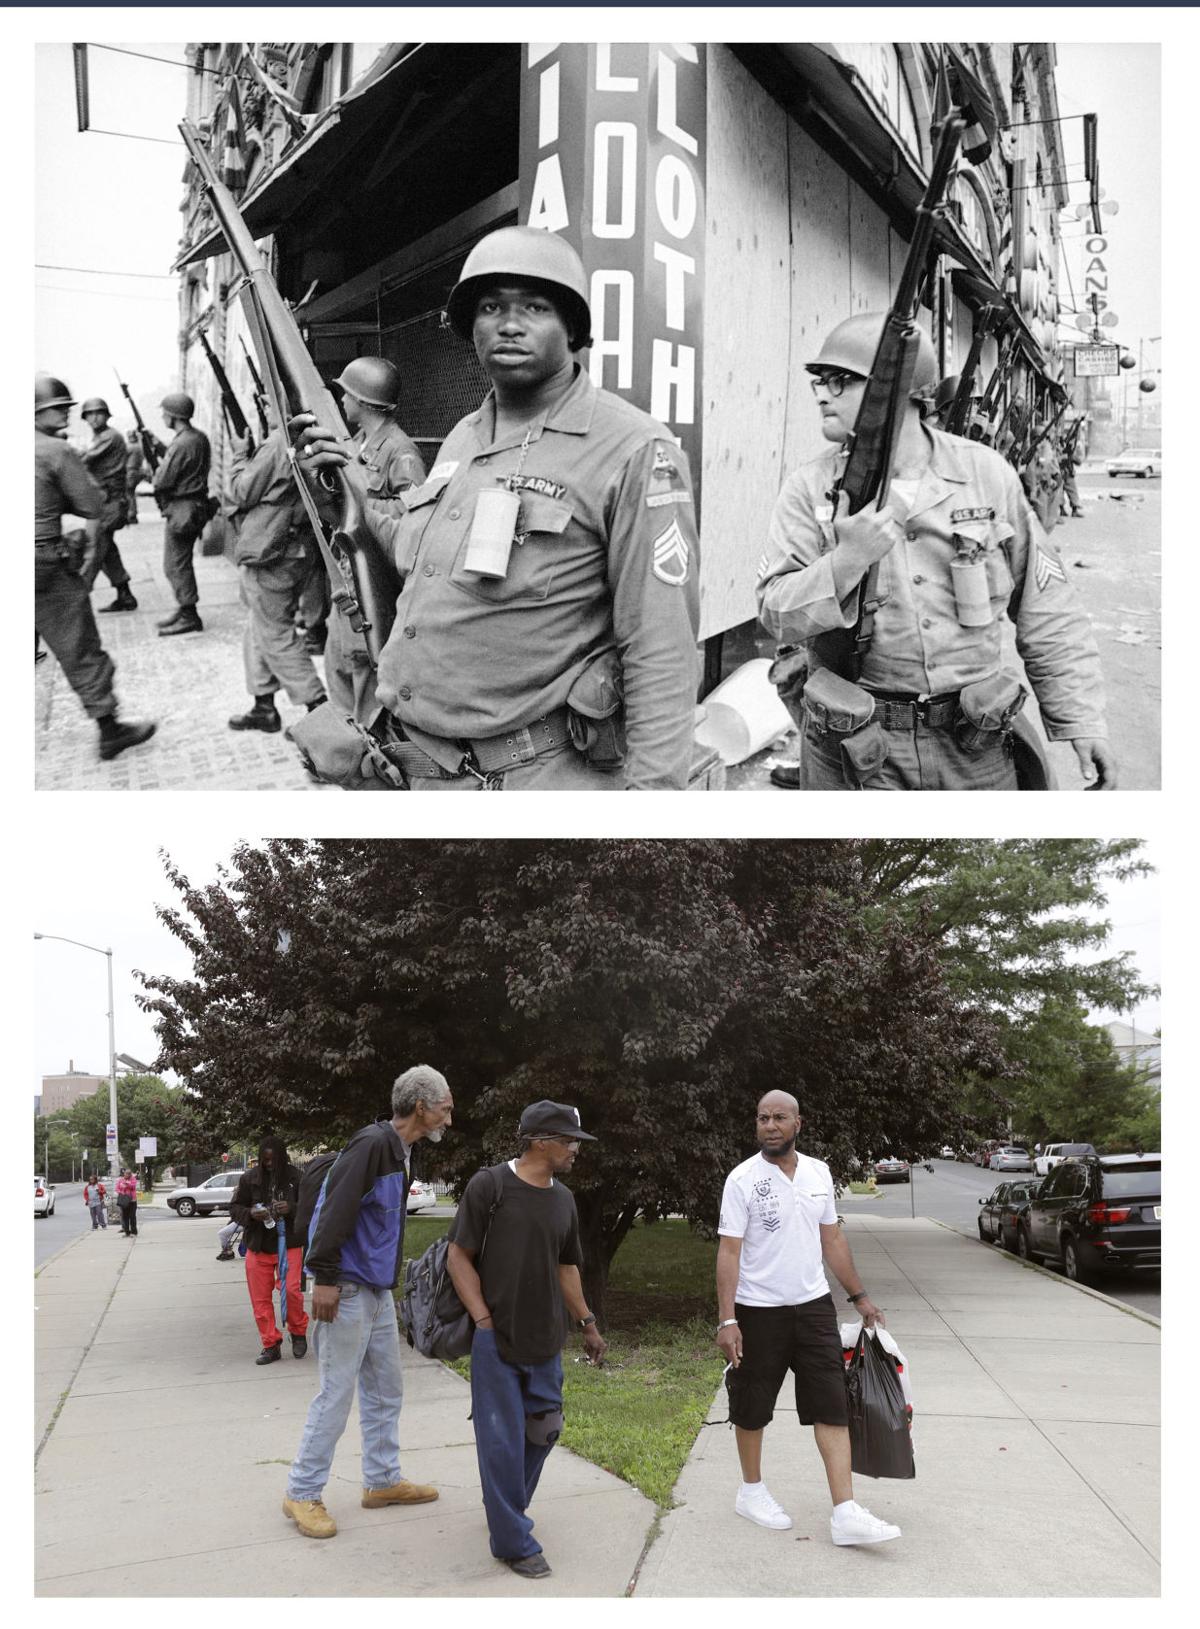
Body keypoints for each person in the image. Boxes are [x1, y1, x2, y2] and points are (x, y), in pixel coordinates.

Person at [293, 225, 701, 789]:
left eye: (534, 306)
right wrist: (349, 491)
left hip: (527, 777)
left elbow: (662, 651)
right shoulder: (464, 435)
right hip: (413, 763)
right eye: (490, 307)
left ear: (572, 327)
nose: (509, 323)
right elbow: (415, 555)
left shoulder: (633, 449)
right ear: (470, 326)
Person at [757, 312, 1117, 790]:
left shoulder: (985, 475)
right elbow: (774, 613)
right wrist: (845, 563)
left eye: (841, 381)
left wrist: (1081, 720)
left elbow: (1046, 607)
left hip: (976, 743)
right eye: (819, 381)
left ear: (896, 386)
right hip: (857, 748)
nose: (822, 393)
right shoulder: (810, 488)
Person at [716, 1089, 900, 1547]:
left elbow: (832, 1240)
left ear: (798, 1123)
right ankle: (751, 1491)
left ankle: (845, 1512)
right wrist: (727, 1319)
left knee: (831, 1402)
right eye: (762, 1118)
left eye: (779, 1117)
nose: (770, 1125)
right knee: (753, 1404)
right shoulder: (741, 1180)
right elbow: (729, 1251)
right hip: (758, 1310)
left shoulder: (819, 1172)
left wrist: (858, 1296)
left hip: (814, 1306)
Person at [282, 1065, 453, 1539]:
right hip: (349, 1290)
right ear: (421, 1106)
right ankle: (302, 1491)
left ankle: (381, 1481)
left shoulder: (401, 1151)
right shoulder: (372, 1145)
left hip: (376, 1292)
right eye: (446, 1107)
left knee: (385, 1390)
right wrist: (325, 1277)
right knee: (336, 1394)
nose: (449, 1117)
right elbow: (333, 1209)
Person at [447, 1100, 607, 1579]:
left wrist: (587, 1322)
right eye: (569, 1141)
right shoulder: (490, 1186)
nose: (576, 1150)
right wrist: (484, 1321)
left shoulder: (563, 1200)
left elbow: (566, 1266)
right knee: (499, 1443)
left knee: (544, 1431)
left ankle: (506, 1507)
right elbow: (459, 1257)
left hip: (546, 1341)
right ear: (541, 1141)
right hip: (496, 1342)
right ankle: (513, 1542)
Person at [35, 375, 157, 761]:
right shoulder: (57, 450)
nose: (69, 414)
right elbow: (90, 503)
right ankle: (109, 729)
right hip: (42, 560)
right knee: (79, 643)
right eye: (61, 408)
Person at [324, 356, 426, 723]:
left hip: (374, 578)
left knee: (364, 664)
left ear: (364, 401)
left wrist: (360, 499)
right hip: (347, 572)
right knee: (338, 657)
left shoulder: (401, 451)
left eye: (346, 393)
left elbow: (414, 515)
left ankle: (369, 750)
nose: (342, 400)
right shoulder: (357, 442)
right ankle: (336, 744)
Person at [224, 426, 328, 733]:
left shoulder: (279, 440)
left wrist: (241, 454)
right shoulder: (311, 435)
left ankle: (319, 712)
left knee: (276, 632)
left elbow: (241, 491)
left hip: (272, 553)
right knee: (260, 626)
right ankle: (264, 706)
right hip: (295, 548)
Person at [229, 1137, 310, 1364]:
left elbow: (310, 1208)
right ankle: (270, 1344)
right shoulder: (249, 1179)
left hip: (289, 1244)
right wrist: (251, 1215)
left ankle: (298, 1332)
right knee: (260, 1299)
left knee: (292, 1291)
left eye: (274, 1160)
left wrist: (291, 1208)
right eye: (265, 1161)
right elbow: (234, 1208)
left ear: (283, 1158)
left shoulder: (297, 1178)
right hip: (258, 1246)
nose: (269, 1164)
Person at [152, 390, 211, 636]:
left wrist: (152, 473)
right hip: (194, 505)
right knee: (180, 562)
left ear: (173, 416)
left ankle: (189, 614)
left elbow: (163, 480)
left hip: (182, 508)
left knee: (175, 565)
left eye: (165, 413)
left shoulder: (182, 442)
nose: (163, 417)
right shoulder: (197, 438)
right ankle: (185, 607)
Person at [79, 397, 137, 612]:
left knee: (93, 550)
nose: (94, 418)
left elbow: (83, 458)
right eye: (89, 414)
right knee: (106, 550)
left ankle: (76, 600)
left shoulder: (110, 437)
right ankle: (125, 595)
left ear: (106, 415)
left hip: (109, 503)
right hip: (102, 502)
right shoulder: (98, 437)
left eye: (98, 413)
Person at [124, 430, 148, 525]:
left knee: (128, 494)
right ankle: (132, 514)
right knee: (131, 494)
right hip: (137, 471)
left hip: (130, 471)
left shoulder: (130, 447)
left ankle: (131, 514)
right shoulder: (139, 447)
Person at [115, 1168, 139, 1236]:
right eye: (126, 1173)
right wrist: (121, 1192)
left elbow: (133, 1187)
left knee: (132, 1216)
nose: (127, 1175)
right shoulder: (120, 1180)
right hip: (124, 1200)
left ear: (130, 1174)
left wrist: (127, 1184)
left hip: (132, 1200)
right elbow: (117, 1189)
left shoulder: (133, 1179)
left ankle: (134, 1232)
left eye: (128, 1174)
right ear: (124, 1174)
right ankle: (127, 1232)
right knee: (125, 1217)